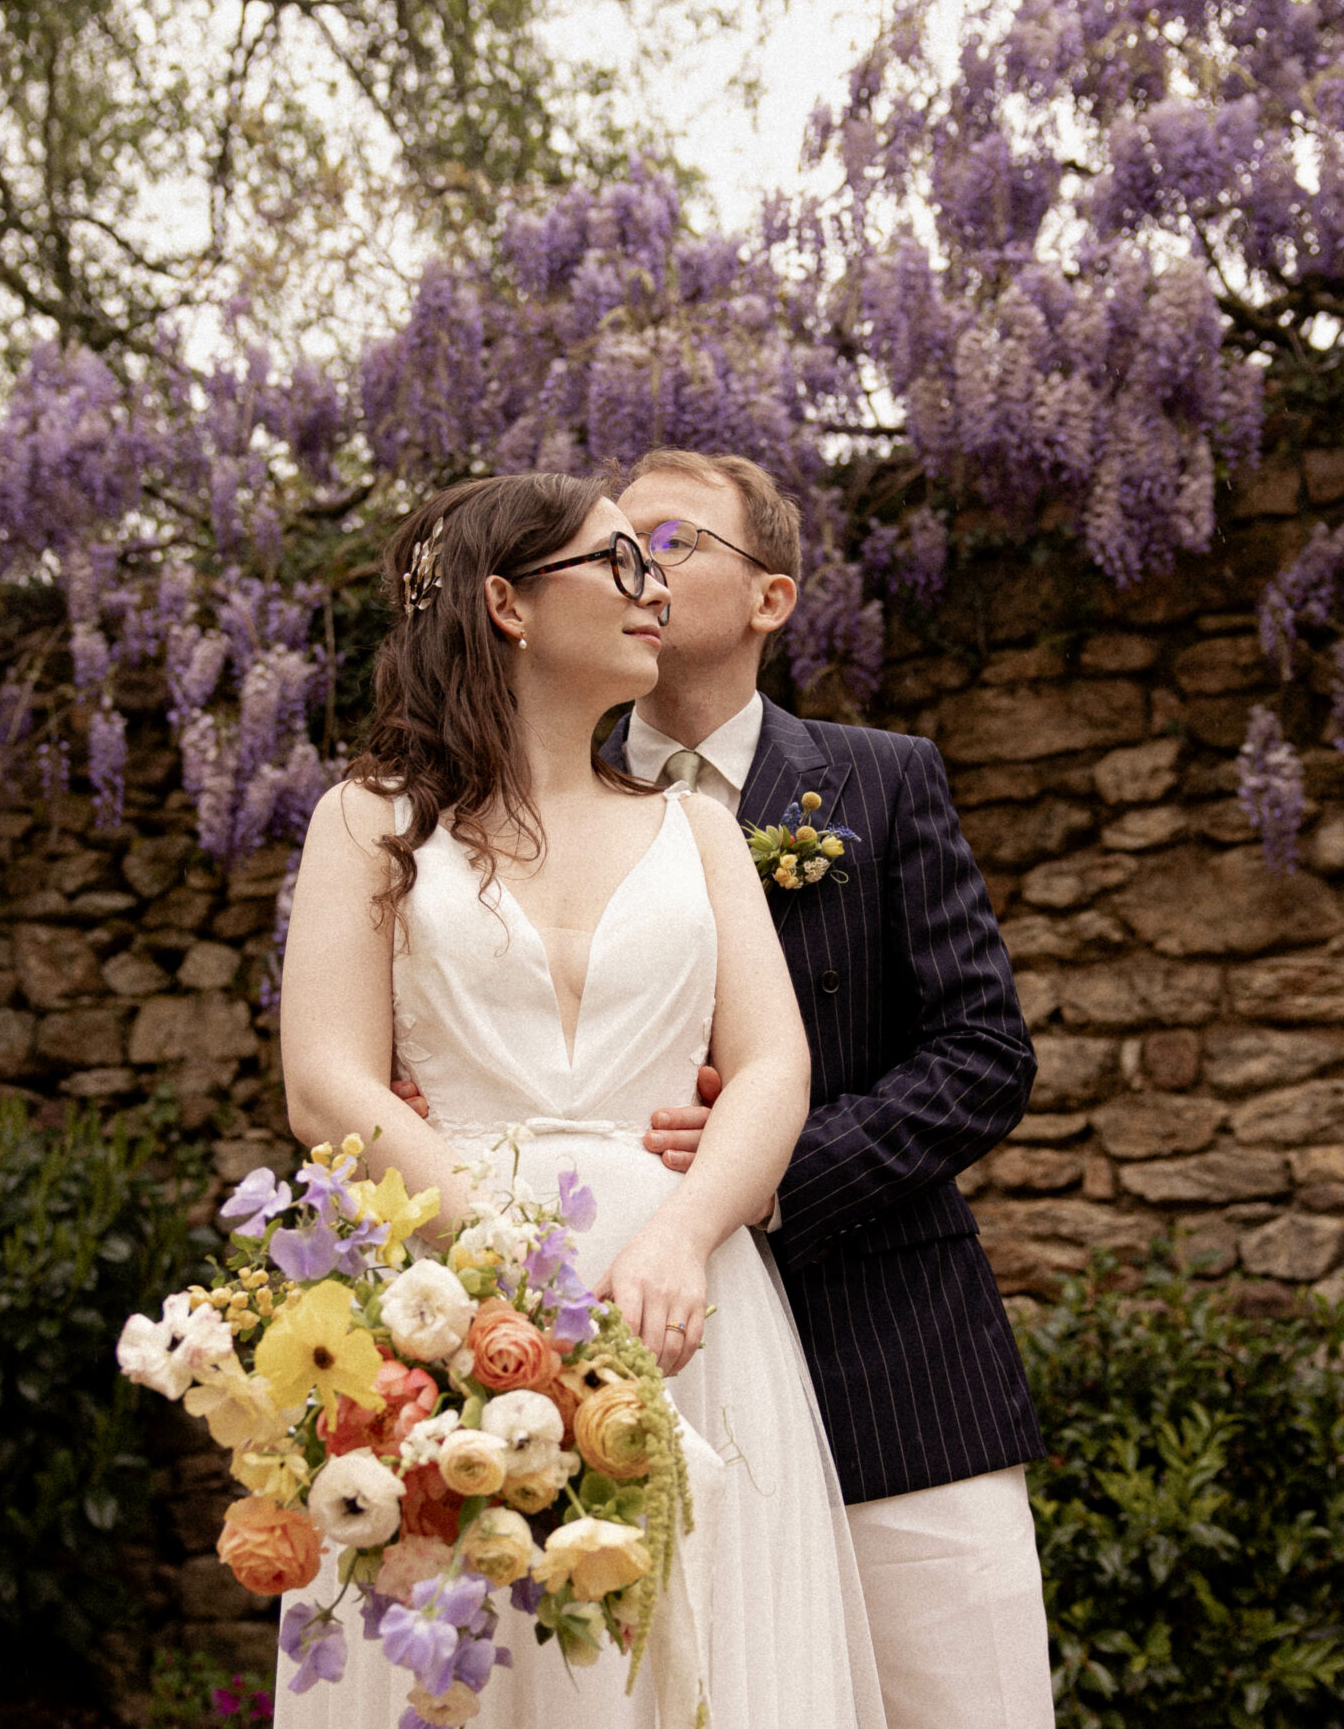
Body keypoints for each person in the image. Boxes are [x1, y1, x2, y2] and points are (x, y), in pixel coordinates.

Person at [401, 449, 1055, 1727]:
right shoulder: (496, 813)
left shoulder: (880, 777)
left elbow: (984, 1055)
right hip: (609, 1368)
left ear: (771, 599)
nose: (638, 570)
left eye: (673, 542)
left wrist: (749, 1176)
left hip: (892, 1372)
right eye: (618, 548)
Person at [274, 472, 886, 1729]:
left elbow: (774, 1066)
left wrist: (682, 1231)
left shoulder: (700, 830)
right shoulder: (370, 821)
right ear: (505, 603)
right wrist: (498, 1266)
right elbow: (325, 1078)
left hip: (683, 1304)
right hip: (454, 1288)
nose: (654, 588)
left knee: (700, 1650)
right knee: (479, 1648)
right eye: (617, 564)